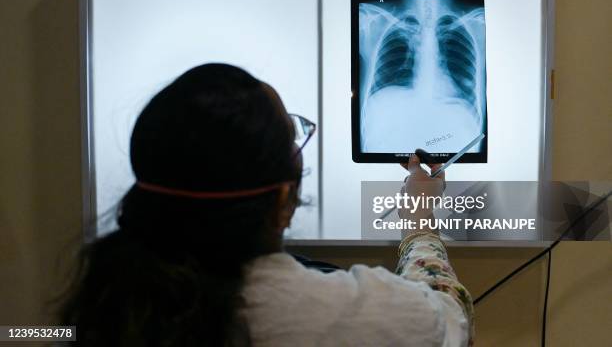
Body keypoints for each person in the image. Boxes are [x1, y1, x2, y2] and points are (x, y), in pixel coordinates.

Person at [60, 63, 474, 346]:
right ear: (281, 201)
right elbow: (449, 322)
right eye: (294, 136)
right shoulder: (355, 313)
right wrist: (419, 220)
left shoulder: (103, 303)